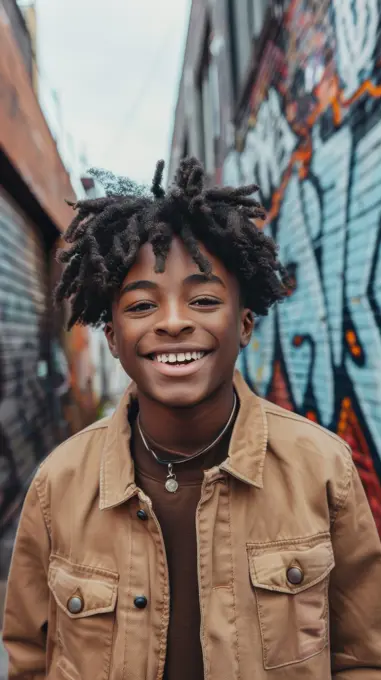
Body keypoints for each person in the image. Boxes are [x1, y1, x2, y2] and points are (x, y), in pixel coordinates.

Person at [3, 157, 381, 679]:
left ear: (244, 325)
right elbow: (29, 660)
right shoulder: (57, 488)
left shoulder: (323, 470)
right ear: (111, 337)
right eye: (140, 307)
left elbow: (364, 658)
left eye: (203, 300)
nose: (175, 322)